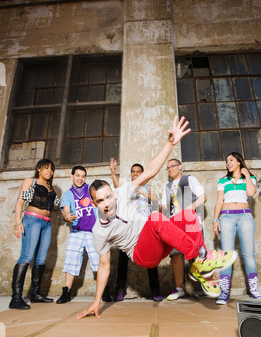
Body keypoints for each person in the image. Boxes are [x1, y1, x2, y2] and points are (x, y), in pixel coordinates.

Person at [77, 116, 237, 319]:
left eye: (109, 196)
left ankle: (199, 269)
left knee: (188, 215)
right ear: (94, 204)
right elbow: (104, 266)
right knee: (155, 218)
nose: (108, 203)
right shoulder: (99, 231)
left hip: (159, 238)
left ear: (113, 193)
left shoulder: (123, 192)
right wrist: (96, 301)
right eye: (101, 201)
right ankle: (202, 257)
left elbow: (151, 170)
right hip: (143, 255)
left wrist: (170, 142)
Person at [162, 159, 220, 300]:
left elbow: (203, 197)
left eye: (173, 166)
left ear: (180, 166)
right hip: (175, 224)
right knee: (176, 256)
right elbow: (164, 206)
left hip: (191, 222)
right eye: (168, 167)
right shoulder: (167, 186)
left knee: (198, 254)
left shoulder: (190, 179)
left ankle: (209, 286)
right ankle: (179, 289)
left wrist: (192, 206)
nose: (170, 169)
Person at [213, 152, 261, 305]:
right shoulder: (223, 180)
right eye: (227, 161)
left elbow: (251, 192)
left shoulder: (250, 178)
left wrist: (247, 174)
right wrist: (215, 219)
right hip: (226, 217)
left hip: (245, 216)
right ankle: (224, 293)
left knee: (249, 254)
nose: (228, 163)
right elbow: (219, 200)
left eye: (231, 160)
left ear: (239, 162)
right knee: (226, 255)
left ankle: (254, 290)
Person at [9, 159, 60, 310]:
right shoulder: (30, 181)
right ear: (38, 168)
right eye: (46, 168)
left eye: (51, 170)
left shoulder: (50, 187)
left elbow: (55, 205)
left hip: (46, 223)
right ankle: (16, 298)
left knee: (41, 258)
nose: (49, 172)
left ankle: (35, 294)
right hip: (32, 220)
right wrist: (18, 222)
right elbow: (20, 202)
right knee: (26, 256)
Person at [110, 159, 162, 301]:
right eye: (133, 171)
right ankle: (120, 290)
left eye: (138, 172)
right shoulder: (127, 187)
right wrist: (113, 173)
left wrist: (142, 192)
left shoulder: (148, 187)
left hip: (144, 226)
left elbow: (157, 200)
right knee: (123, 259)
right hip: (127, 227)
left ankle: (155, 290)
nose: (135, 174)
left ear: (143, 173)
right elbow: (118, 190)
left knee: (150, 258)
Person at [56, 165, 109, 303]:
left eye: (83, 176)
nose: (80, 178)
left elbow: (102, 202)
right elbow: (66, 212)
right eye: (78, 175)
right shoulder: (68, 194)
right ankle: (66, 292)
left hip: (93, 231)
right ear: (72, 176)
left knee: (99, 261)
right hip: (77, 231)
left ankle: (105, 291)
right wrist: (67, 217)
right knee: (71, 261)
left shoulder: (90, 189)